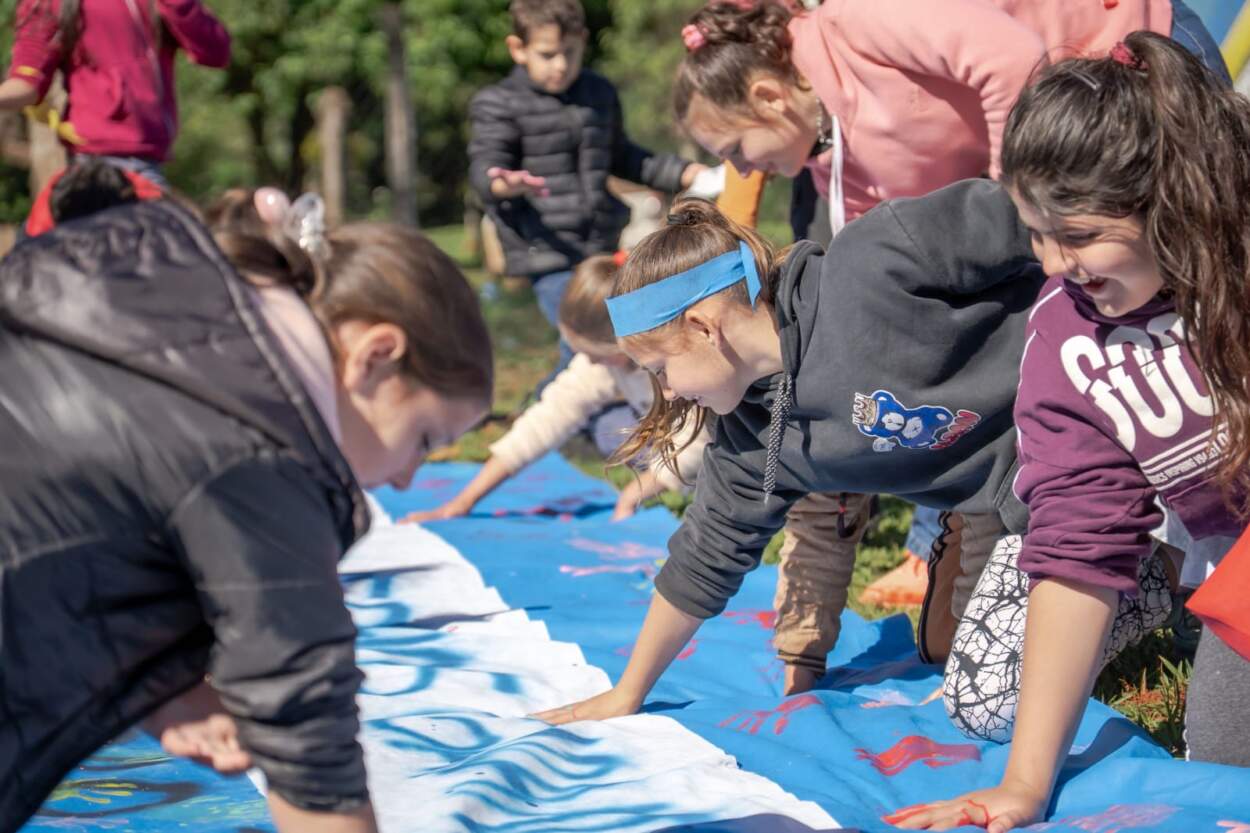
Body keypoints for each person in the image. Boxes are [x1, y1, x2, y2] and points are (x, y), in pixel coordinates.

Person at [682, 0, 1232, 666]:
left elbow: (1010, 63)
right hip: (1067, 216)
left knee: (1192, 336)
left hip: (1131, 72)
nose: (745, 170)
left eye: (737, 150)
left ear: (767, 96)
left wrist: (1025, 218)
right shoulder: (836, 166)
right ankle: (1144, 568)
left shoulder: (860, 22)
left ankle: (1207, 554)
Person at [0, 186, 493, 833]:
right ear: (375, 354)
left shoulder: (157, 265)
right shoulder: (265, 453)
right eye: (424, 439)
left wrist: (163, 687)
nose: (406, 476)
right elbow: (311, 752)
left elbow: (93, 494)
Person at [890, 33, 1250, 832]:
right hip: (1226, 567)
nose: (1054, 264)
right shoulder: (1070, 338)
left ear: (1174, 200)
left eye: (1079, 236)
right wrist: (1022, 786)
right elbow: (1083, 542)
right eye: (1035, 233)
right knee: (1223, 772)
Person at [530, 180, 1048, 725]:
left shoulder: (876, 262)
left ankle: (1137, 574)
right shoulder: (751, 433)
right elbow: (701, 560)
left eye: (662, 371)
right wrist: (626, 693)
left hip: (1082, 433)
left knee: (995, 681)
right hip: (1000, 508)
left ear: (705, 327)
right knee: (982, 700)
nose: (671, 392)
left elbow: (1034, 212)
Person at [468, 0, 706, 387]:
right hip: (544, 246)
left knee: (599, 335)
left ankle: (581, 410)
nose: (560, 65)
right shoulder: (499, 103)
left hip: (598, 242)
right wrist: (501, 183)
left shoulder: (597, 93)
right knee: (586, 334)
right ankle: (557, 413)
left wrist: (682, 172)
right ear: (518, 48)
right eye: (547, 55)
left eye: (569, 53)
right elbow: (485, 165)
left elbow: (623, 157)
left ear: (582, 41)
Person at [403, 253, 711, 524]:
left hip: (737, 449)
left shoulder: (682, 366)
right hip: (682, 438)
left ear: (629, 341)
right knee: (612, 431)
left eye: (594, 354)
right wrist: (463, 502)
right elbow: (545, 421)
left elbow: (700, 436)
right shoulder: (603, 363)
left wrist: (638, 490)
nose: (587, 362)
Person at [0, 0, 232, 185]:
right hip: (92, 163)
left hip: (149, 165)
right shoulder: (50, 3)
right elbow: (26, 85)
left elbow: (216, 52)